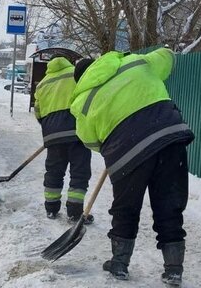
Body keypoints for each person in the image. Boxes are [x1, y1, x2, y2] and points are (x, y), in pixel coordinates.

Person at [70, 48, 194, 286]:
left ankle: (119, 263)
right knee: (169, 204)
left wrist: (116, 139)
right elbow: (167, 57)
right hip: (169, 137)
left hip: (127, 153)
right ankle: (174, 269)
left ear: (79, 81)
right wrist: (138, 60)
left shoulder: (83, 101)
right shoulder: (132, 63)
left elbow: (89, 141)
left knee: (126, 207)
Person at [34, 56, 93, 223]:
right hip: (77, 132)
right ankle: (74, 213)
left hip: (53, 135)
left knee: (54, 171)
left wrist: (51, 128)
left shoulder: (43, 84)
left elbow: (38, 111)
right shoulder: (76, 74)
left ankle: (51, 209)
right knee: (79, 172)